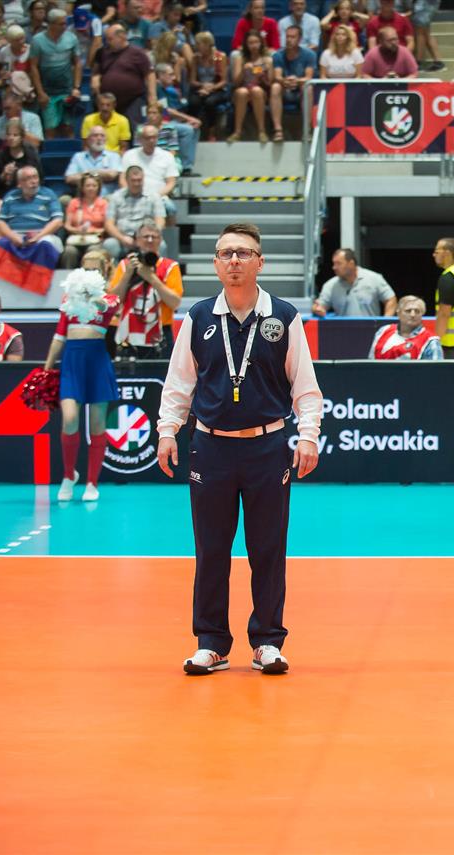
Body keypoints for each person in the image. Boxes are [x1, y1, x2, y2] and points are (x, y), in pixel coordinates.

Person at [156, 222, 322, 676]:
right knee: (211, 549)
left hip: (267, 447)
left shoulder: (283, 317)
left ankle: (267, 641)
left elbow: (305, 387)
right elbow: (179, 382)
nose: (234, 260)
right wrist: (168, 430)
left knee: (267, 548)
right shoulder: (198, 317)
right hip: (210, 448)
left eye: (243, 253)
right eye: (225, 253)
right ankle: (211, 643)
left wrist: (308, 435)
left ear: (259, 262)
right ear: (215, 263)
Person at [43, 251, 121, 502]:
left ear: (103, 270)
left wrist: (92, 295)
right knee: (69, 420)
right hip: (72, 363)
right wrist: (47, 368)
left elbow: (105, 307)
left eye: (95, 268)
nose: (89, 271)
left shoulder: (109, 299)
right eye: (86, 267)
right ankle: (69, 475)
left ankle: (92, 482)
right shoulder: (68, 300)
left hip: (97, 363)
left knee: (97, 424)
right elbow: (59, 336)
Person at [107, 218, 182, 356]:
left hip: (160, 334)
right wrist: (127, 275)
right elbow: (113, 302)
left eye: (154, 237)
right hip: (128, 332)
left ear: (160, 240)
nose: (150, 240)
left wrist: (151, 278)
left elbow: (175, 303)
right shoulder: (125, 265)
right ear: (137, 240)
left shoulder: (170, 266)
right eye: (146, 236)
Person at [28, 8, 82, 137]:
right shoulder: (37, 40)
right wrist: (40, 93)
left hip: (67, 90)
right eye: (61, 24)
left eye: (65, 23)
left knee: (68, 127)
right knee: (50, 128)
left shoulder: (71, 38)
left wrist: (76, 87)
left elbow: (78, 63)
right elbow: (33, 67)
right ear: (51, 24)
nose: (64, 26)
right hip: (48, 92)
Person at [0, 165, 63, 253]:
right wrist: (12, 237)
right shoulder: (10, 196)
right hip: (15, 237)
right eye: (28, 178)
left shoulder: (49, 194)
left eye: (35, 177)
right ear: (19, 183)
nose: (33, 181)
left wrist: (38, 237)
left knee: (46, 243)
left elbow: (58, 221)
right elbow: (0, 222)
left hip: (42, 236)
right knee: (0, 244)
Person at [311, 247, 396, 317]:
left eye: (338, 263)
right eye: (334, 263)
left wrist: (385, 321)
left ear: (351, 263)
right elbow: (320, 306)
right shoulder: (330, 285)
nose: (334, 267)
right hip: (342, 331)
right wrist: (317, 309)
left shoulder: (374, 278)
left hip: (371, 330)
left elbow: (390, 299)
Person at [104, 164, 165, 258]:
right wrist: (122, 238)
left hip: (147, 238)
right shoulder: (116, 197)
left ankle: (158, 268)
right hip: (122, 239)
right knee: (109, 244)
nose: (136, 183)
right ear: (127, 180)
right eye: (133, 180)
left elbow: (160, 221)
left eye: (139, 180)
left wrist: (150, 236)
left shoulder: (154, 196)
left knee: (162, 246)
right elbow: (109, 224)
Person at [120, 123, 178, 218]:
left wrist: (156, 196)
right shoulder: (129, 155)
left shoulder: (167, 156)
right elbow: (122, 179)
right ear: (140, 139)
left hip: (159, 197)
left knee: (170, 208)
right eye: (147, 138)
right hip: (133, 196)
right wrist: (131, 194)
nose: (151, 140)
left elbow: (171, 183)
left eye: (154, 137)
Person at [270, 25, 315, 142]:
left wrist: (296, 80)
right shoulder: (278, 55)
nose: (289, 40)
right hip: (285, 89)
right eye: (287, 37)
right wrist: (284, 81)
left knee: (308, 87)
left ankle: (307, 130)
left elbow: (308, 77)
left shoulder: (309, 55)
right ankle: (278, 131)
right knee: (275, 87)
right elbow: (277, 76)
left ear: (299, 39)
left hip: (300, 89)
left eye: (293, 37)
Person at [228, 30, 273, 142]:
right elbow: (235, 82)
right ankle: (237, 132)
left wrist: (262, 76)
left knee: (256, 90)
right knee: (242, 92)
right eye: (250, 43)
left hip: (260, 92)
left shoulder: (267, 60)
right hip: (243, 90)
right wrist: (243, 71)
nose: (254, 45)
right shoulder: (240, 59)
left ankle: (262, 131)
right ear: (246, 44)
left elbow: (270, 83)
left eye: (256, 42)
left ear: (261, 43)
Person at [369, 295, 441, 360]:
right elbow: (371, 362)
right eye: (408, 311)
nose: (412, 315)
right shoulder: (383, 331)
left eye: (417, 311)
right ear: (398, 313)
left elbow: (435, 369)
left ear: (422, 314)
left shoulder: (431, 341)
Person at [66, 125, 124, 196]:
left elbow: (111, 175)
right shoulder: (78, 157)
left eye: (102, 136)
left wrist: (86, 174)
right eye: (95, 135)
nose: (99, 138)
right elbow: (70, 178)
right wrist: (101, 174)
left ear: (106, 140)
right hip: (83, 198)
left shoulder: (114, 156)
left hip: (107, 198)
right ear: (88, 140)